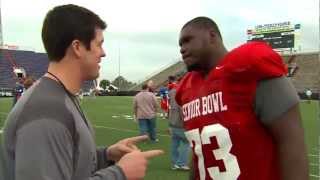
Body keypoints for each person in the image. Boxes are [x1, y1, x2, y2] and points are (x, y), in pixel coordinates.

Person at [0, 4, 163, 180]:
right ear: (77, 47)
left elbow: (69, 163)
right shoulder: (46, 110)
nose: (103, 53)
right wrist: (120, 173)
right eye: (99, 45)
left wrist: (106, 155)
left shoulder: (60, 96)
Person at [176, 17, 308, 180]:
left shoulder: (249, 69)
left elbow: (291, 143)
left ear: (212, 36)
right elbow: (199, 152)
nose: (182, 48)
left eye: (188, 40)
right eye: (180, 45)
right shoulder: (187, 89)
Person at [167, 76, 190, 170]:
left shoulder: (172, 91)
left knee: (174, 143)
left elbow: (170, 106)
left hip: (172, 121)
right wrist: (187, 122)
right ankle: (181, 163)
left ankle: (174, 163)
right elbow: (182, 108)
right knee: (186, 142)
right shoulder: (182, 91)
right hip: (180, 122)